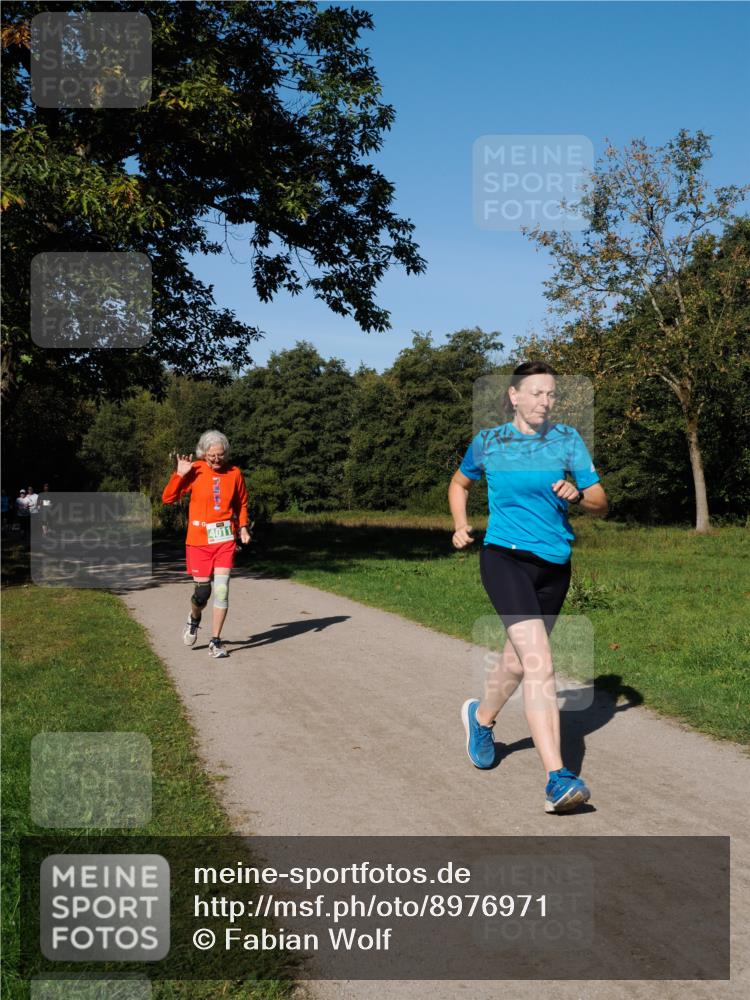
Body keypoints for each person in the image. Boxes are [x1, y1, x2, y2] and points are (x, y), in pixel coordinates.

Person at [449, 361, 608, 814]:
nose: (545, 401)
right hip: (505, 558)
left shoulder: (567, 441)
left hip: (555, 564)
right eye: (536, 393)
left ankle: (480, 718)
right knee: (540, 662)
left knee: (518, 662)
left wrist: (578, 495)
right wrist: (461, 524)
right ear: (514, 396)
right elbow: (460, 484)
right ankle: (558, 778)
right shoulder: (490, 442)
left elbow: (601, 501)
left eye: (551, 394)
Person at [162, 430, 251, 658]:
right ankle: (194, 618)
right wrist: (179, 474)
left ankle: (215, 641)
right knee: (203, 593)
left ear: (226, 453)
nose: (216, 459)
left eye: (220, 455)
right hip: (198, 541)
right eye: (211, 455)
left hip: (224, 540)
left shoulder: (234, 473)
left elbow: (241, 503)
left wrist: (242, 528)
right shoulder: (196, 469)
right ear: (204, 453)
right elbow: (168, 498)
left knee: (221, 591)